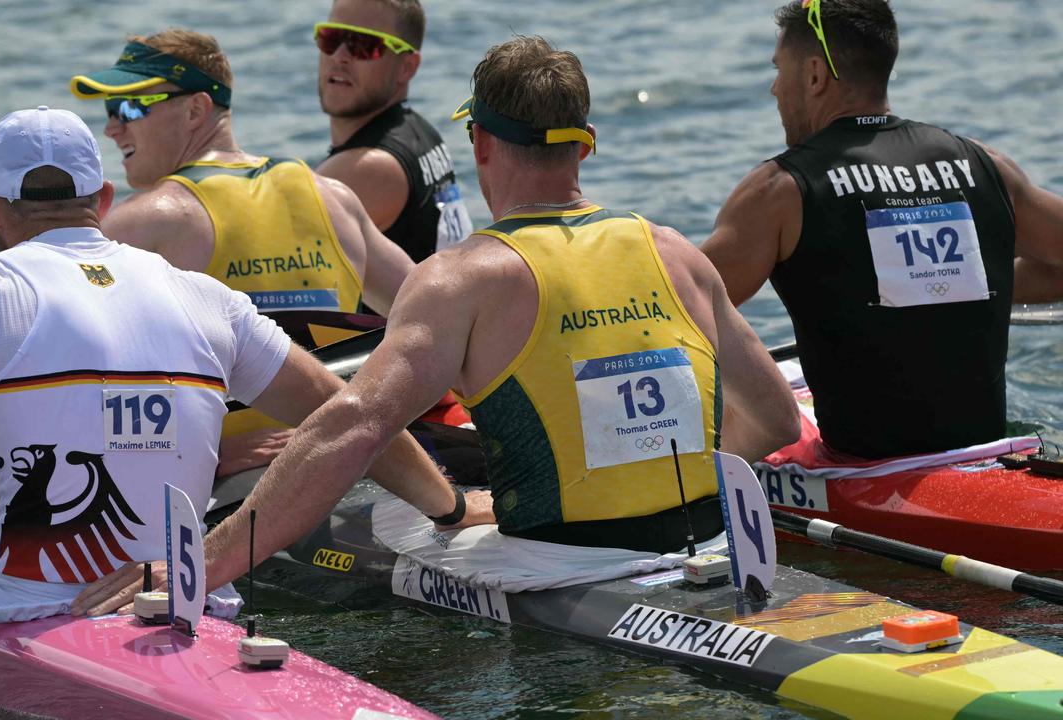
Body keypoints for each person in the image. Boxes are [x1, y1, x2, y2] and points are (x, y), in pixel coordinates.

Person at [74, 35, 796, 605]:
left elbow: (347, 431)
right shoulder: (673, 250)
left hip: (555, 567)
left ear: (479, 141)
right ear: (585, 142)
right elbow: (775, 421)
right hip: (711, 549)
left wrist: (198, 565)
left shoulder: (464, 277)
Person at [0, 107, 467, 662]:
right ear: (104, 199)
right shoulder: (206, 298)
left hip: (18, 594)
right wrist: (449, 512)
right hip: (182, 589)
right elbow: (349, 412)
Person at [701, 0, 1063, 460]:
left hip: (865, 470)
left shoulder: (780, 191)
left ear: (814, 75)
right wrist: (956, 283)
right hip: (987, 456)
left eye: (779, 70)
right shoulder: (985, 165)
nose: (774, 88)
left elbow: (678, 305)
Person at [69, 29, 414, 318]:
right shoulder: (336, 200)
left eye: (129, 108)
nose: (112, 128)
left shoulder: (142, 222)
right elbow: (427, 311)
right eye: (109, 110)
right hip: (331, 394)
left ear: (195, 110)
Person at [315, 0, 474, 264]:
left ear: (407, 67)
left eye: (364, 46)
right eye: (331, 39)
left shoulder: (367, 169)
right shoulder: (423, 134)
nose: (339, 56)